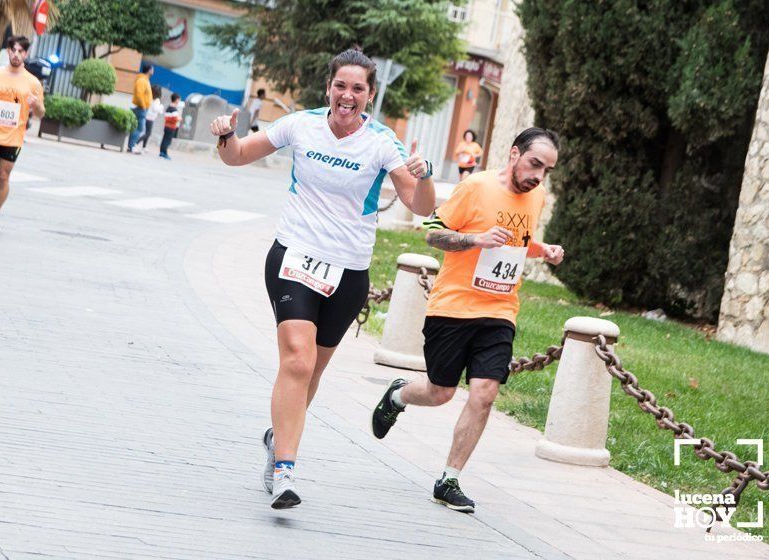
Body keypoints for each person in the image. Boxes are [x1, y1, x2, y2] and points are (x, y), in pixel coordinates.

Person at [209, 48, 437, 510]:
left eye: (357, 88)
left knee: (311, 372)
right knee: (296, 359)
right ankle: (285, 472)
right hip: (293, 256)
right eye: (340, 86)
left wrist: (425, 175)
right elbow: (236, 157)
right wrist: (226, 135)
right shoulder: (301, 124)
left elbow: (422, 206)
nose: (347, 95)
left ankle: (278, 437)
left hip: (348, 271)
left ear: (369, 95)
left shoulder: (381, 142)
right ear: (328, 88)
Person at [371, 127, 565, 513]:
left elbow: (518, 241)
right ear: (514, 154)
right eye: (534, 164)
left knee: (485, 392)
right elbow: (431, 231)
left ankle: (449, 479)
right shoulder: (476, 187)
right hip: (453, 307)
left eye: (547, 170)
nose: (538, 176)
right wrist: (475, 240)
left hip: (500, 311)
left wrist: (545, 251)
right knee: (440, 392)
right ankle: (397, 394)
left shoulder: (536, 196)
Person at [0, 35, 44, 233]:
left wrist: (35, 104)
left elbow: (40, 113)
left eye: (21, 51)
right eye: (14, 50)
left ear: (26, 54)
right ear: (8, 51)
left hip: (14, 136)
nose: (17, 55)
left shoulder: (33, 82)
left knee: (3, 176)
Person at [127, 63, 153, 154]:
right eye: (152, 69)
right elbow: (139, 94)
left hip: (142, 107)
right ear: (149, 70)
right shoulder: (142, 80)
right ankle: (132, 146)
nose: (153, 71)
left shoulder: (145, 80)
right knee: (139, 128)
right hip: (140, 108)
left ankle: (131, 146)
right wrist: (143, 105)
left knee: (137, 127)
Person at [159, 93, 182, 160]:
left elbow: (166, 117)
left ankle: (161, 152)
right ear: (176, 100)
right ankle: (165, 153)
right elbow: (175, 118)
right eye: (179, 100)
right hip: (171, 127)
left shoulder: (168, 108)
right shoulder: (174, 109)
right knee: (167, 141)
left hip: (166, 126)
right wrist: (179, 118)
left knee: (164, 139)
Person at [143, 84, 164, 151]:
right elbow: (156, 109)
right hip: (151, 118)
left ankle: (144, 147)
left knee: (146, 132)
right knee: (148, 133)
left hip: (146, 115)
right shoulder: (157, 100)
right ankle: (136, 143)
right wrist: (161, 107)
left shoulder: (149, 97)